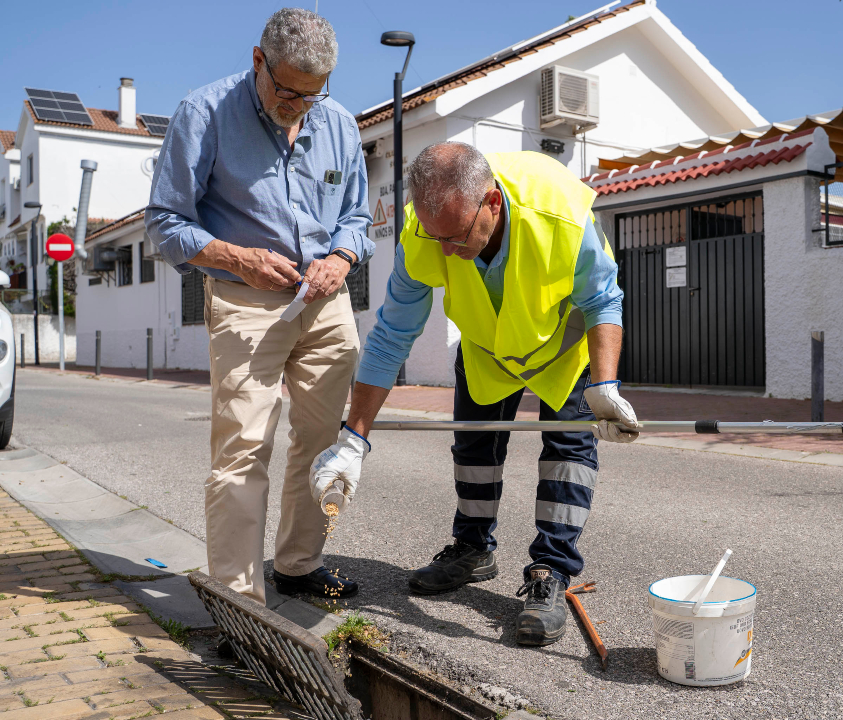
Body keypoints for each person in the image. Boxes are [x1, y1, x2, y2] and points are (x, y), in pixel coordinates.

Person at [311, 142, 639, 646]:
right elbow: (392, 336)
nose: (444, 250)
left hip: (561, 343)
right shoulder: (422, 230)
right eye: (434, 235)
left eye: (456, 236)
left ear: (491, 203)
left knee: (568, 453)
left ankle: (551, 571)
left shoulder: (560, 210)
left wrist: (606, 385)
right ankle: (472, 549)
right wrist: (354, 437)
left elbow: (602, 298)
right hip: (487, 346)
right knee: (474, 448)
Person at [146, 8, 372, 606]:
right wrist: (233, 256)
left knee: (322, 441)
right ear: (257, 60)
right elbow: (163, 223)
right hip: (245, 301)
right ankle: (238, 601)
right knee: (243, 448)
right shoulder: (204, 114)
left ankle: (299, 562)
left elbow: (357, 216)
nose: (298, 105)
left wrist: (343, 259)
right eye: (287, 90)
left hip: (325, 301)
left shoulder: (341, 123)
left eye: (312, 96)